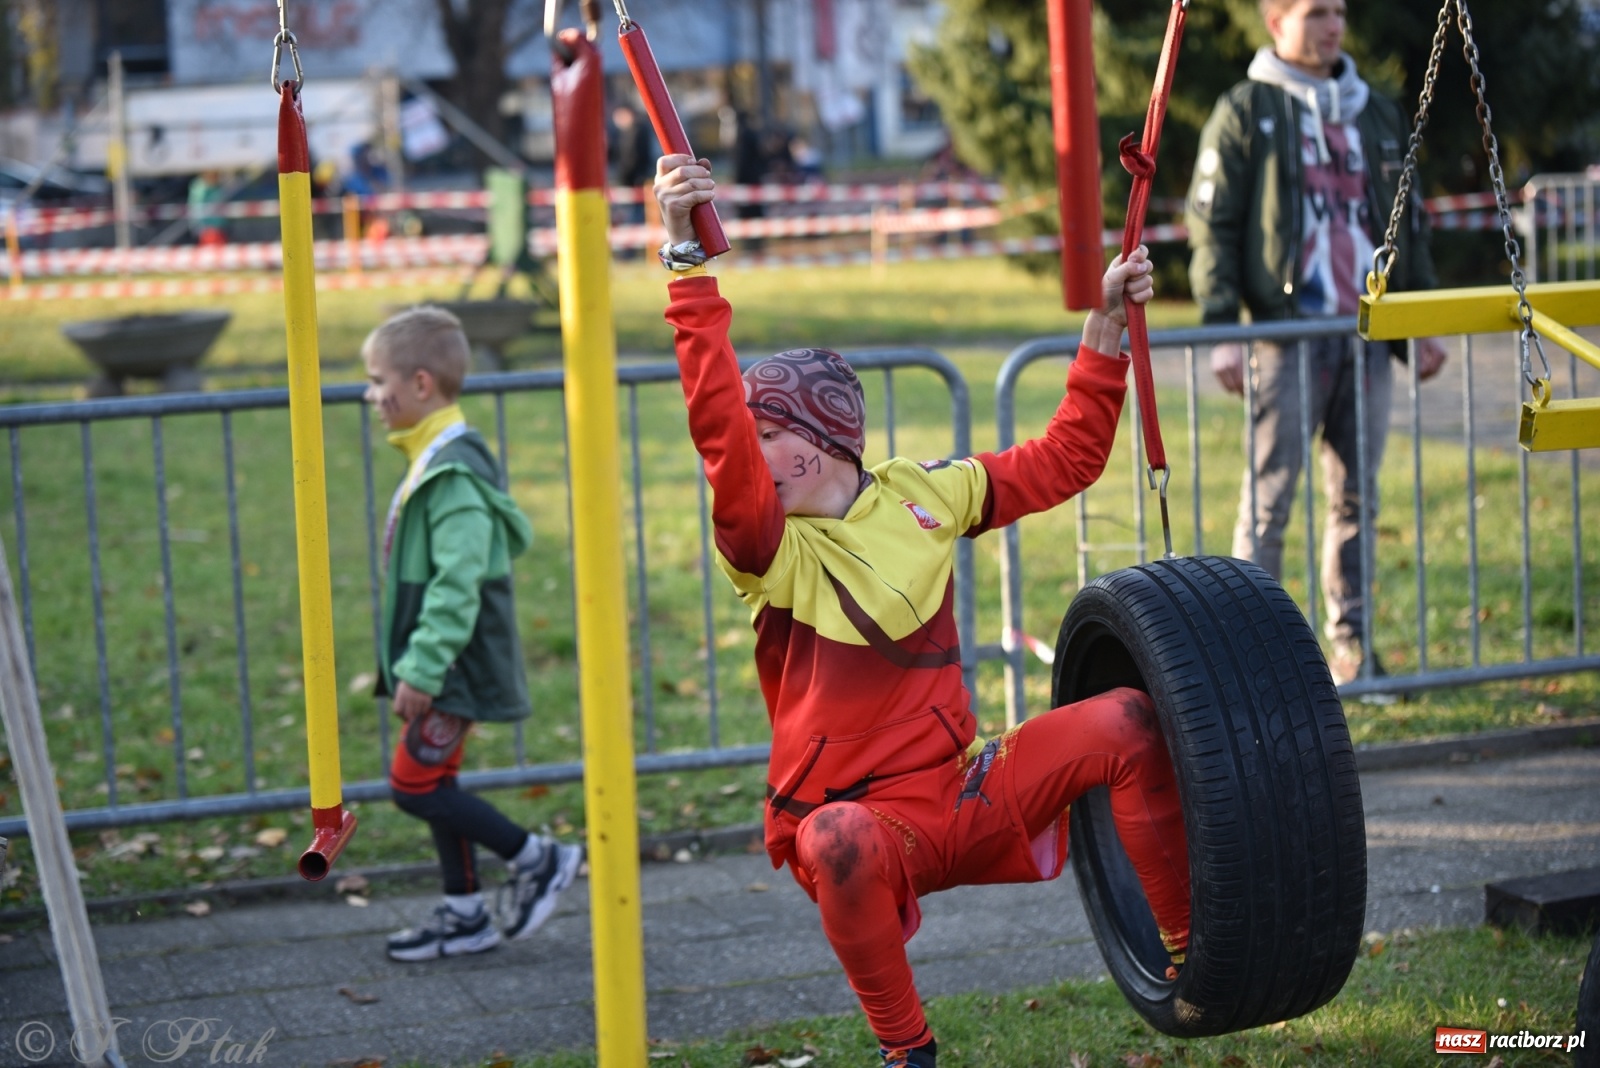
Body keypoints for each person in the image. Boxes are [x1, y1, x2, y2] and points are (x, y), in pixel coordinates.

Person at [653, 154, 1190, 1068]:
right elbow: (715, 429)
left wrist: (1105, 323)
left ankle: (1192, 959)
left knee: (1131, 722)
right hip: (861, 824)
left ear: (817, 447)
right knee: (838, 839)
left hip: (966, 789)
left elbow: (1065, 457)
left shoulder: (924, 492)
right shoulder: (766, 547)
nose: (746, 449)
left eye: (767, 433)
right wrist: (683, 260)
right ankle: (910, 1053)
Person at [1185, 0, 1447, 687]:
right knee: (1270, 499)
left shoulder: (1377, 111)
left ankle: (1352, 649)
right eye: (1314, 13)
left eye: (1339, 12)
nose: (1333, 25)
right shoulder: (1246, 109)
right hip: (1287, 337)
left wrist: (1419, 323)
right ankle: (1252, 659)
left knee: (1357, 498)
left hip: (1364, 333)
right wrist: (1220, 331)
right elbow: (1215, 226)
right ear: (1276, 23)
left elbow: (1406, 223)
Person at [361, 306, 582, 961]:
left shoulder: (452, 475)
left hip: (453, 666)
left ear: (421, 385)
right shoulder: (434, 457)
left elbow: (457, 586)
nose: (372, 396)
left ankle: (537, 858)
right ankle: (465, 916)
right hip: (446, 661)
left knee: (413, 786)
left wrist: (424, 669)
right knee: (438, 788)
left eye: (379, 381)